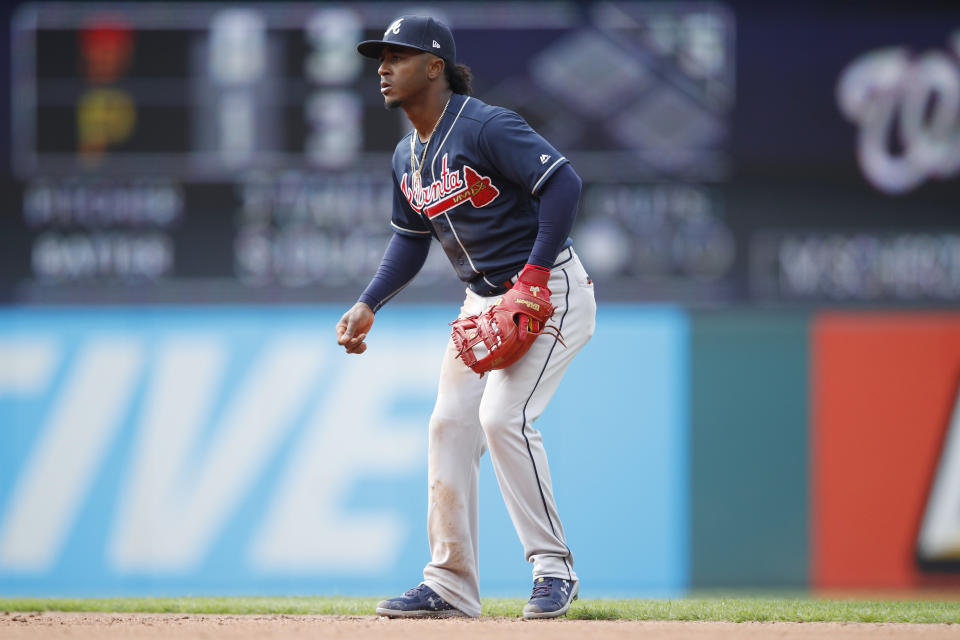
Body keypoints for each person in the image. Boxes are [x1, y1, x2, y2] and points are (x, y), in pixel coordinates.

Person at [336, 15, 596, 620]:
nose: (383, 68)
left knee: (503, 417)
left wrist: (531, 277)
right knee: (449, 426)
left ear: (435, 66)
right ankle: (451, 585)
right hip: (484, 301)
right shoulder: (406, 155)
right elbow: (409, 238)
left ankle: (553, 567)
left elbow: (563, 184)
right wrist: (368, 301)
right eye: (381, 58)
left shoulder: (485, 125)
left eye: (397, 56)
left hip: (549, 286)